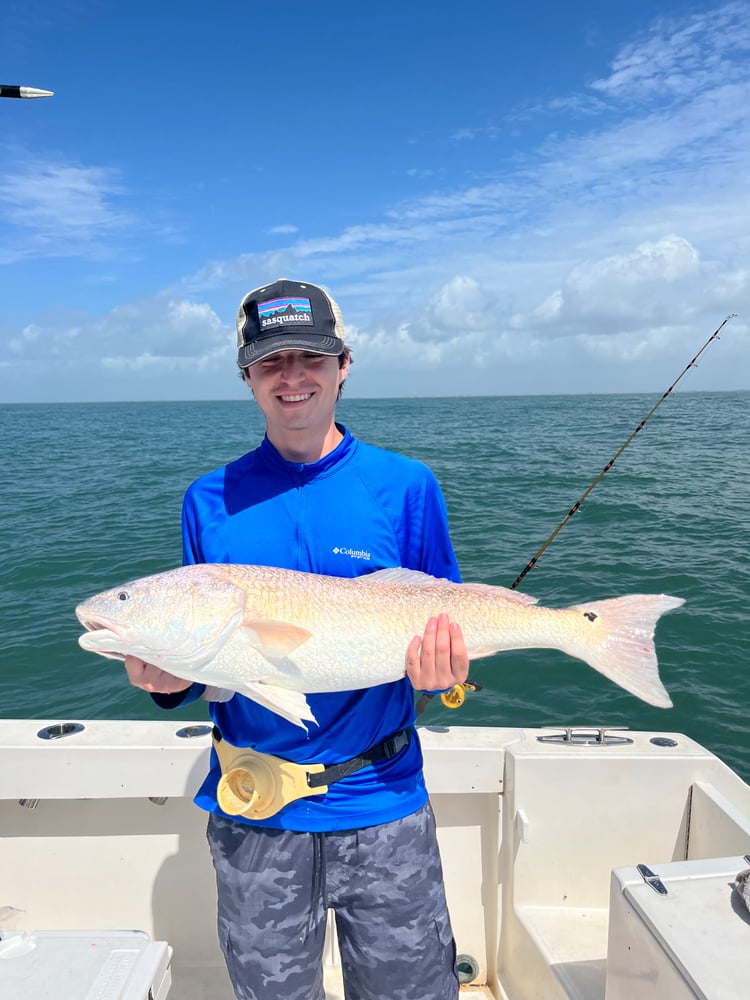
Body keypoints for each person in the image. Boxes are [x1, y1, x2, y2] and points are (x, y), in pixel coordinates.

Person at [124, 278, 469, 1000]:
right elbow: (214, 646)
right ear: (247, 376)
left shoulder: (406, 487)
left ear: (344, 364)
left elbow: (446, 628)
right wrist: (171, 681)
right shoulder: (207, 500)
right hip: (256, 813)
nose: (293, 378)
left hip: (384, 800)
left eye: (310, 357)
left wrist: (448, 677)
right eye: (271, 361)